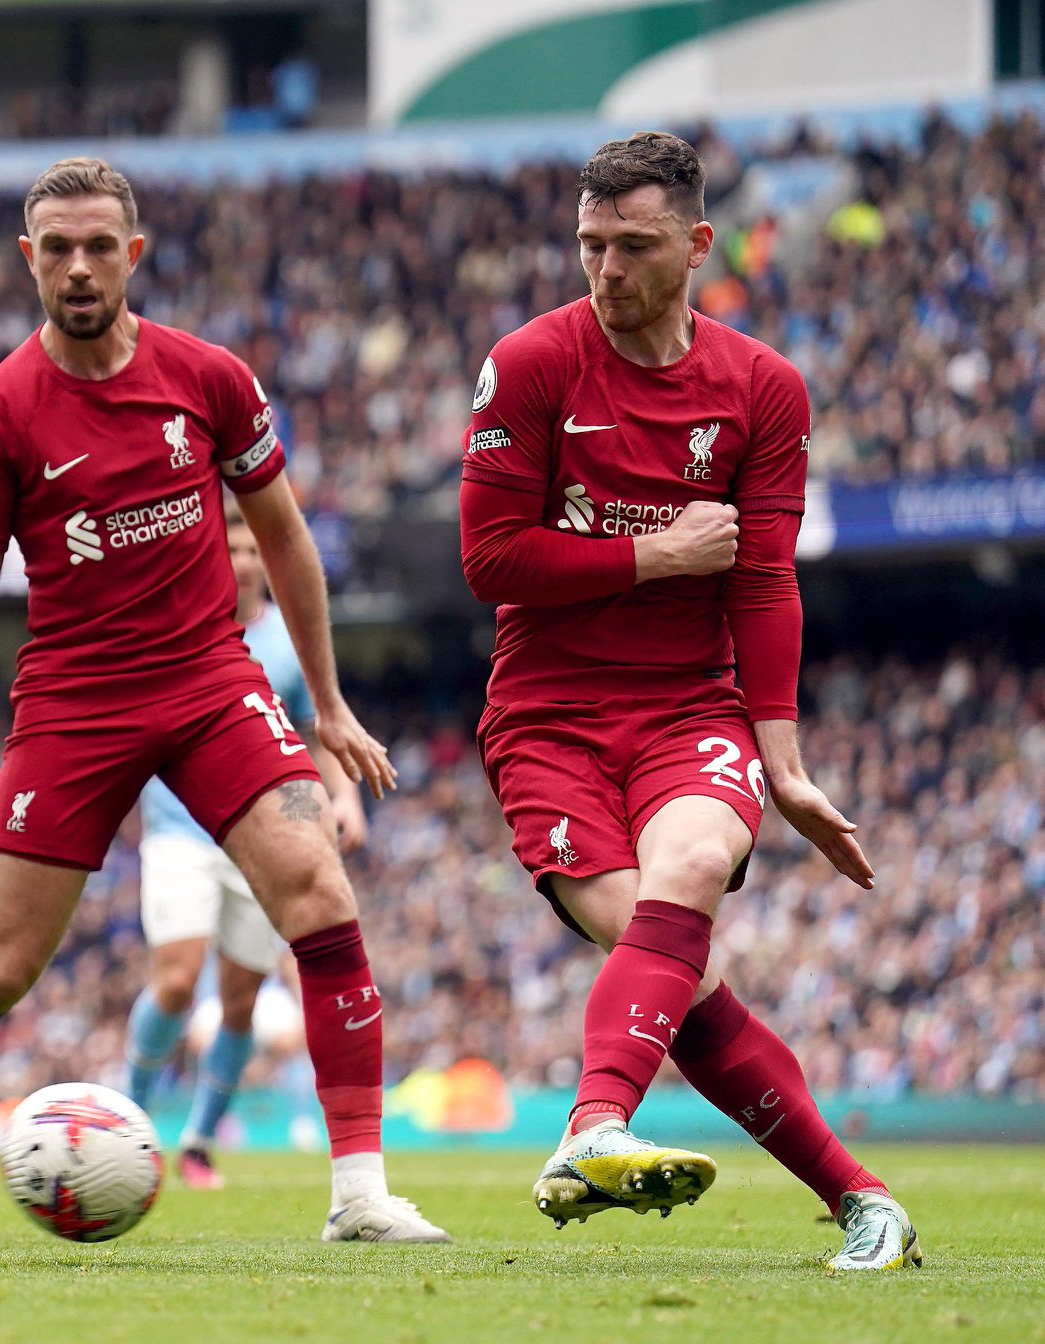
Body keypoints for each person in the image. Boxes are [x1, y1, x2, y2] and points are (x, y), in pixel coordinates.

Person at [0, 157, 448, 1244]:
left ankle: (359, 1195)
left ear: (132, 255)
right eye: (57, 249)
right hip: (73, 701)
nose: (79, 267)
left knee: (319, 897)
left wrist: (325, 704)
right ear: (27, 260)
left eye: (100, 246)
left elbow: (283, 537)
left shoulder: (209, 378)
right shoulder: (0, 411)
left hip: (208, 683)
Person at [458, 131, 920, 1271]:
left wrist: (786, 764)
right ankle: (860, 1196)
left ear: (695, 245)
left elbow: (762, 577)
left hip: (687, 712)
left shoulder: (762, 388)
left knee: (689, 873)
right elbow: (486, 559)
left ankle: (589, 1130)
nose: (604, 270)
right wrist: (648, 558)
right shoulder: (527, 365)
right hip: (545, 719)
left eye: (631, 246)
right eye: (587, 245)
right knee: (682, 971)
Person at [123, 511, 365, 1188]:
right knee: (176, 977)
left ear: (267, 559)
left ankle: (198, 1142)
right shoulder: (176, 629)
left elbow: (322, 727)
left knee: (239, 1001)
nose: (241, 559)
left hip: (259, 835)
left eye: (252, 548)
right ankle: (130, 1127)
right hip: (178, 828)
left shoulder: (290, 642)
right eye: (228, 546)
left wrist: (343, 798)